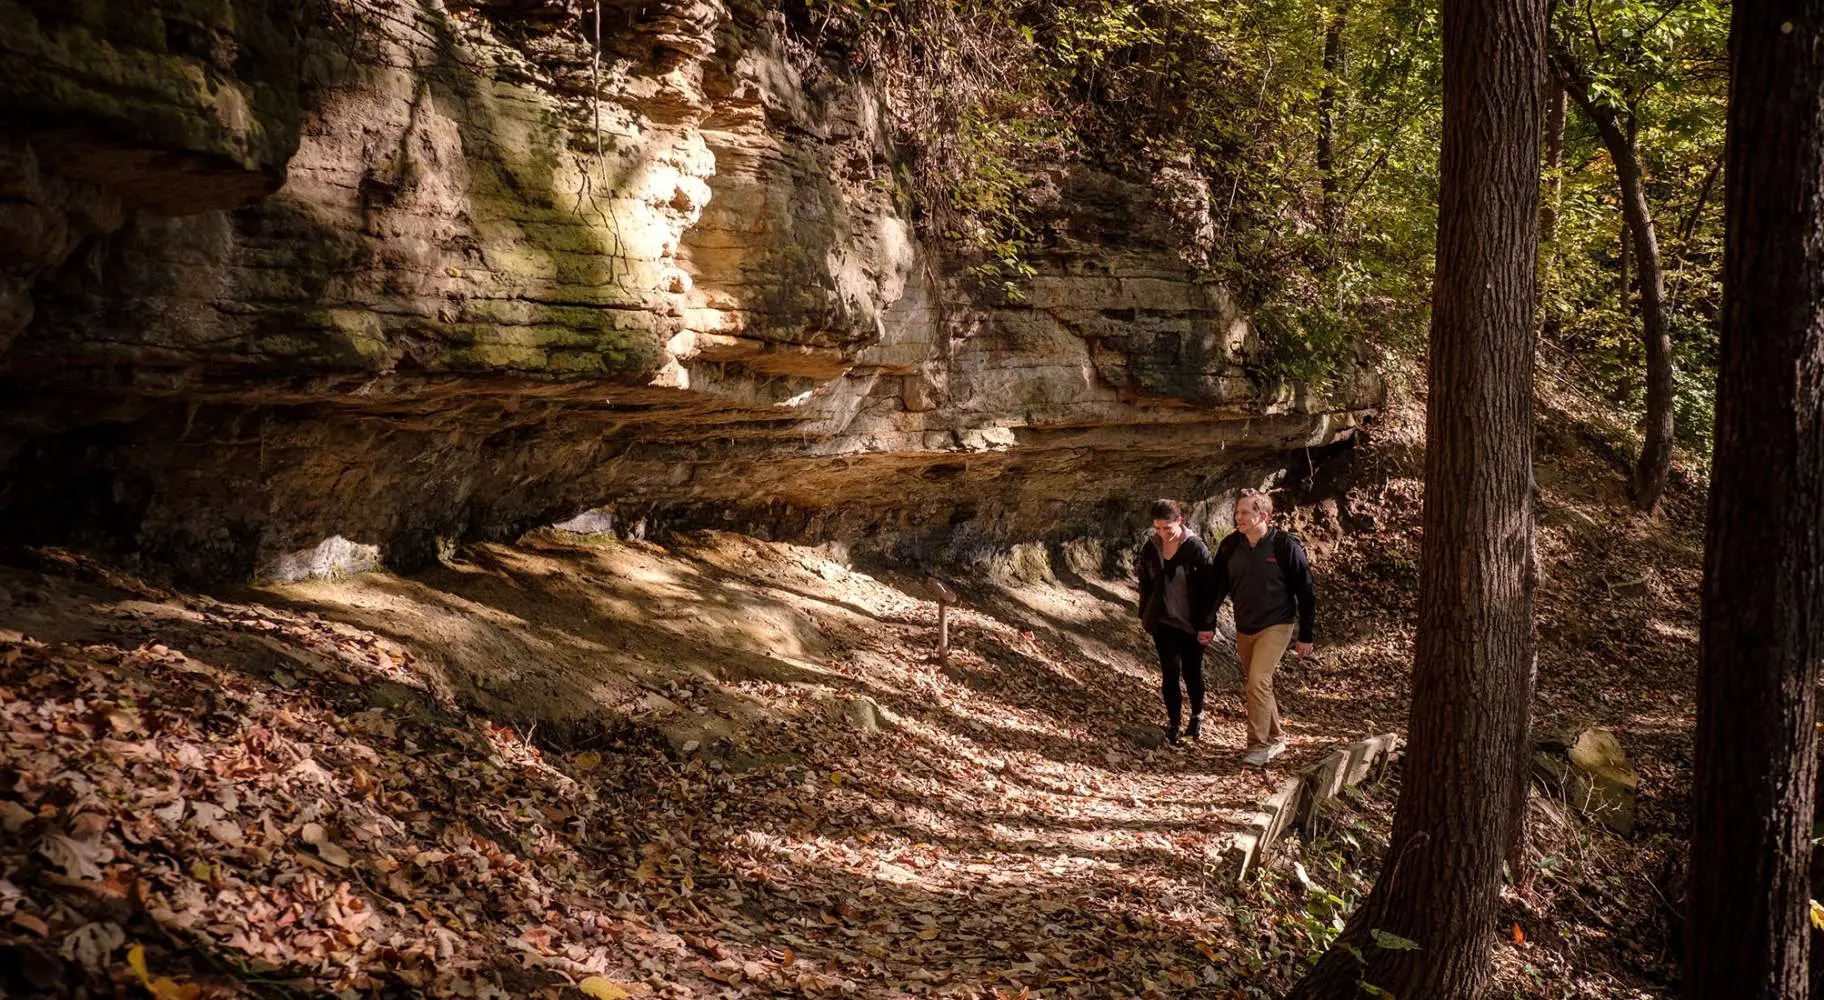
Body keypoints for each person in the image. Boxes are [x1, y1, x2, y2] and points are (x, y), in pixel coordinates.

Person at [1209, 488, 1317, 766]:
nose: (1239, 517)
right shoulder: (1230, 545)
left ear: (1263, 515)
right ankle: (1277, 737)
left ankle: (1258, 746)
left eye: (1245, 512)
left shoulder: (1284, 545)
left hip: (1277, 623)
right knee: (1260, 683)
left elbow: (1305, 591)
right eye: (1237, 512)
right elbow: (1217, 587)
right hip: (1245, 625)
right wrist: (1206, 621)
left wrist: (1305, 635)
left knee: (1257, 679)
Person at [1135, 499, 1218, 745]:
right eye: (1157, 528)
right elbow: (1145, 583)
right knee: (1170, 673)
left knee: (1192, 672)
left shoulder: (1196, 548)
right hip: (1164, 621)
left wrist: (1207, 625)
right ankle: (1173, 724)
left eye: (1167, 529)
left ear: (1179, 521)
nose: (1162, 534)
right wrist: (1145, 614)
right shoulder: (1151, 547)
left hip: (1192, 623)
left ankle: (1197, 715)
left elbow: (1209, 591)